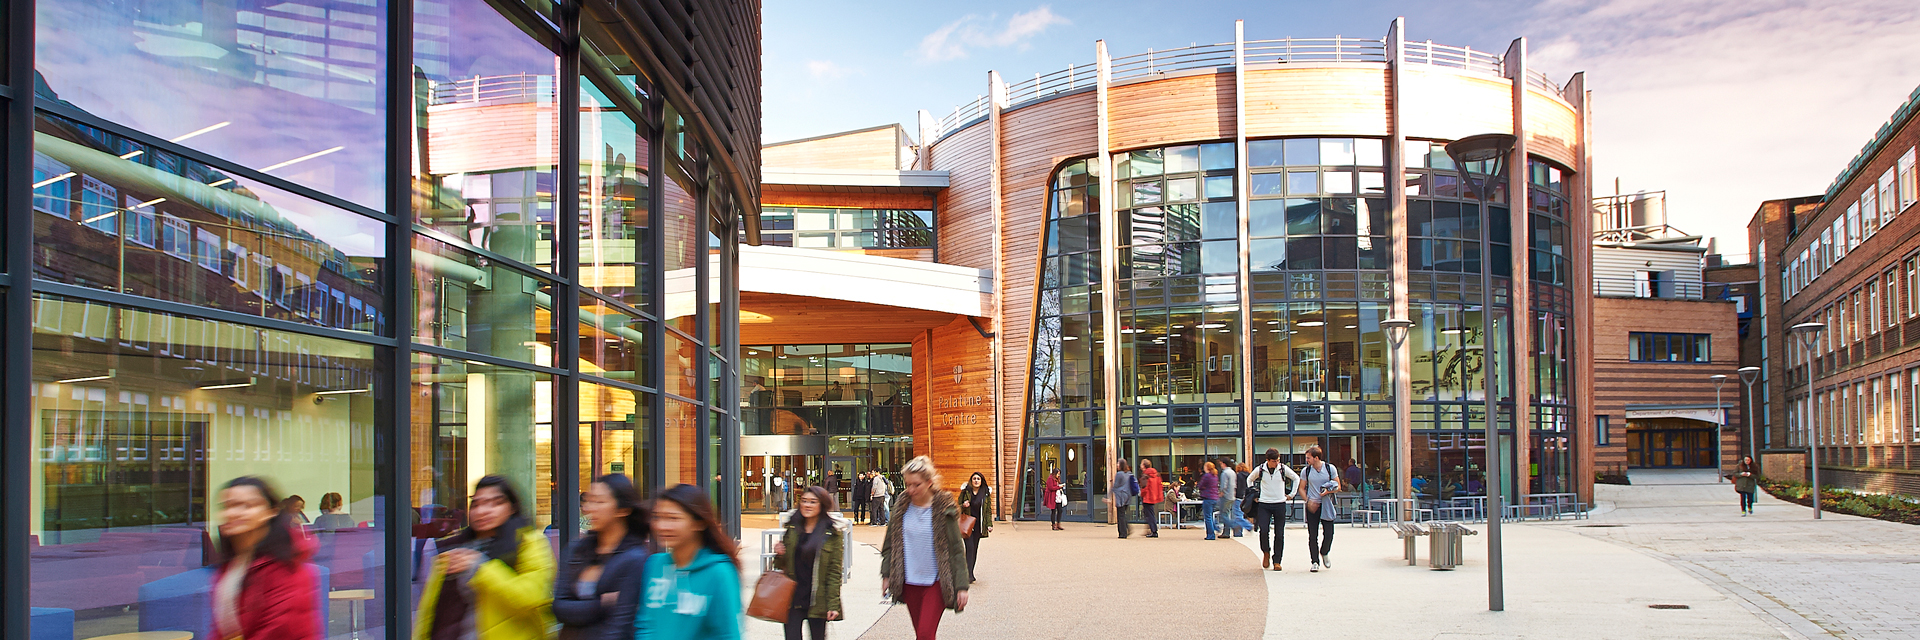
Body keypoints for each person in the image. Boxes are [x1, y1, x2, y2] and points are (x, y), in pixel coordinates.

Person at [415, 475, 555, 640]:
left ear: (512, 508)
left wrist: (480, 568)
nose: (482, 511)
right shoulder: (454, 546)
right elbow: (429, 611)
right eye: (477, 504)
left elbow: (533, 597)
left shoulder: (529, 543)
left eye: (495, 503)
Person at [212, 476, 320, 640]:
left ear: (271, 511)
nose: (234, 513)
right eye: (228, 506)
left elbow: (278, 630)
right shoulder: (232, 565)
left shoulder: (286, 568)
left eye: (247, 505)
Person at [880, 457, 969, 640]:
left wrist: (961, 586)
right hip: (909, 582)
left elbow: (956, 549)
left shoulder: (945, 510)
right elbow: (889, 545)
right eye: (907, 484)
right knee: (923, 634)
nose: (911, 490)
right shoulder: (901, 508)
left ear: (929, 483)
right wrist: (886, 575)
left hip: (936, 582)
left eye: (916, 484)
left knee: (925, 634)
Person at [637, 484, 741, 639]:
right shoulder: (654, 564)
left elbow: (728, 634)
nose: (662, 526)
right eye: (657, 517)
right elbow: (645, 624)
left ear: (699, 523)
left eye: (673, 518)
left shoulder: (719, 572)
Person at [554, 473, 649, 640]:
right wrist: (602, 604)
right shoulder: (576, 550)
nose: (589, 508)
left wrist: (578, 609)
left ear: (623, 510)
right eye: (589, 501)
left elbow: (619, 626)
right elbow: (559, 608)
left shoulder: (635, 558)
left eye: (599, 501)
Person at [773, 486, 846, 640]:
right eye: (804, 501)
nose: (807, 505)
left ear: (822, 505)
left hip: (817, 599)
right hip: (792, 597)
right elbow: (780, 565)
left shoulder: (832, 534)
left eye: (813, 502)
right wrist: (780, 554)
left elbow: (834, 572)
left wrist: (833, 604)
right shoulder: (792, 528)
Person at [1249, 448, 1300, 571]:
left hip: (1279, 503)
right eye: (1274, 461)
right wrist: (1253, 494)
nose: (1276, 463)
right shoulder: (1261, 469)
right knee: (1264, 530)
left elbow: (1296, 478)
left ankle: (1277, 560)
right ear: (1267, 460)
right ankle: (1266, 552)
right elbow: (1250, 479)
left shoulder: (1282, 469)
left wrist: (1291, 494)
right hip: (1264, 504)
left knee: (1279, 533)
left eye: (1278, 460)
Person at [1296, 445, 1341, 572]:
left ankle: (1324, 551)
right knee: (1312, 535)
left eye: (1308, 458)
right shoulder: (1306, 471)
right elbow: (1301, 488)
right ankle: (1314, 561)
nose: (1307, 460)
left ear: (1316, 458)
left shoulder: (1329, 468)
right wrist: (1308, 501)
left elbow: (1338, 486)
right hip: (1312, 505)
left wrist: (1327, 491)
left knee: (1329, 533)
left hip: (1326, 504)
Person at [957, 472, 993, 580]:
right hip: (967, 525)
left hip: (978, 525)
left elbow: (988, 511)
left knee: (975, 549)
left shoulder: (985, 493)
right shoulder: (965, 492)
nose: (976, 480)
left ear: (981, 481)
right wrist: (963, 505)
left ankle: (970, 573)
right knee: (970, 548)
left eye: (978, 479)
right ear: (971, 480)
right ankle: (966, 574)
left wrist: (989, 524)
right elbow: (956, 507)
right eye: (974, 479)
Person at [1111, 459, 1136, 539]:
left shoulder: (1119, 474)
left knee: (1120, 515)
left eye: (1118, 464)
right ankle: (1126, 529)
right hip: (1127, 496)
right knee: (1123, 514)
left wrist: (1108, 496)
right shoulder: (1129, 474)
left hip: (1121, 497)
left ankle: (1123, 533)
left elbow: (1115, 486)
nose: (1117, 465)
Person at [1197, 461, 1221, 540]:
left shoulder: (1206, 476)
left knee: (1207, 517)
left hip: (1208, 498)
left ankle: (1211, 535)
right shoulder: (1215, 476)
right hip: (1214, 497)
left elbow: (1201, 485)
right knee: (1210, 516)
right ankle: (1215, 527)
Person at [1139, 460, 1164, 538]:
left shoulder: (1145, 475)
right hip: (1153, 497)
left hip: (1147, 497)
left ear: (1144, 466)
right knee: (1151, 514)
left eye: (1141, 464)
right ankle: (1151, 530)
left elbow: (1144, 488)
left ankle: (1153, 531)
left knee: (1149, 515)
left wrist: (1141, 494)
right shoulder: (1156, 474)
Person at [1216, 459, 1240, 538]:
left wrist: (1221, 492)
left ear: (1223, 464)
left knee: (1223, 514)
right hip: (1232, 495)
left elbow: (1224, 485)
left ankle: (1232, 526)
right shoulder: (1233, 472)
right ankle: (1226, 532)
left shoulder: (1225, 473)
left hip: (1226, 496)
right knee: (1227, 513)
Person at [1232, 463, 1256, 534]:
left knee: (1237, 516)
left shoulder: (1238, 476)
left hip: (1238, 497)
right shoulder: (1249, 476)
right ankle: (1238, 533)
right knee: (1240, 515)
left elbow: (1237, 487)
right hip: (1246, 498)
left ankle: (1248, 526)